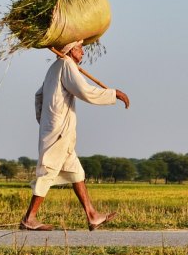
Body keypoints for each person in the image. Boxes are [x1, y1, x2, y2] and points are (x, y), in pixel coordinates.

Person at [20, 40, 130, 231]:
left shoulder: (55, 67)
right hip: (60, 130)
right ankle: (30, 218)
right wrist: (114, 94)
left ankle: (92, 215)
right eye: (80, 49)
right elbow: (85, 91)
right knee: (49, 171)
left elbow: (39, 96)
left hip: (57, 129)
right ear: (70, 51)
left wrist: (44, 120)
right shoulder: (66, 65)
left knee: (76, 172)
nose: (83, 53)